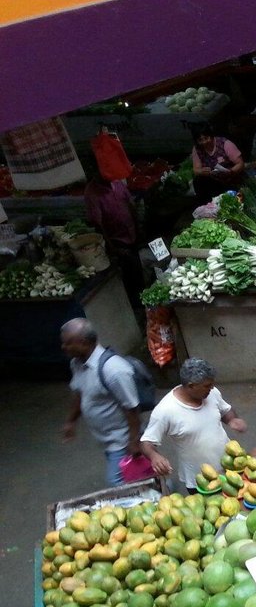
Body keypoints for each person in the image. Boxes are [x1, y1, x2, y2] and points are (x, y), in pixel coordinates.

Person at [140, 358, 246, 492]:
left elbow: (226, 410)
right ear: (191, 386)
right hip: (200, 479)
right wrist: (154, 456)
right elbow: (146, 443)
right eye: (207, 385)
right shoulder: (165, 410)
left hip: (231, 466)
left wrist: (232, 419)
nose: (212, 388)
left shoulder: (211, 393)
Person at [60, 318, 143, 487]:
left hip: (121, 439)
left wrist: (134, 441)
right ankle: (162, 489)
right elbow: (79, 393)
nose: (63, 347)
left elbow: (132, 408)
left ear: (83, 343)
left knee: (117, 481)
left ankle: (163, 494)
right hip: (106, 438)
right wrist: (71, 421)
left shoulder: (114, 370)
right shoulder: (76, 363)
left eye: (68, 343)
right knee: (136, 474)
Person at [83, 172, 143, 315]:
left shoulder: (117, 182)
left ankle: (143, 302)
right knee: (129, 276)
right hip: (117, 242)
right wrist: (114, 249)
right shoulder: (92, 193)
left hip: (132, 235)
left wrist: (139, 228)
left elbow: (130, 204)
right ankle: (135, 309)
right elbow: (98, 226)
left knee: (137, 271)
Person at [191, 124, 245, 203]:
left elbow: (240, 164)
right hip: (214, 181)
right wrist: (202, 171)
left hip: (231, 180)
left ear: (211, 136)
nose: (204, 142)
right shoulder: (197, 149)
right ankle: (205, 205)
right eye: (200, 140)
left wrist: (231, 171)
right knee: (198, 181)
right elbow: (196, 169)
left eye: (206, 138)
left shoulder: (225, 144)